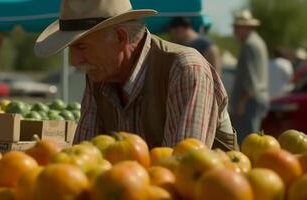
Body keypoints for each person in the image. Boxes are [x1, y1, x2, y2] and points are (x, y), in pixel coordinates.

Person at [34, 0, 238, 150]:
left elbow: (181, 171)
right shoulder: (100, 76)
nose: (74, 61)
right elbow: (84, 157)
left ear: (120, 37)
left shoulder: (185, 68)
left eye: (82, 46)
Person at [230, 9, 269, 144]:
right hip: (253, 99)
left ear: (246, 28)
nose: (234, 31)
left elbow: (251, 80)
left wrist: (242, 102)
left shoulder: (250, 45)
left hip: (248, 101)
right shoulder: (257, 42)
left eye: (237, 27)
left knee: (247, 142)